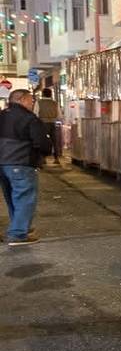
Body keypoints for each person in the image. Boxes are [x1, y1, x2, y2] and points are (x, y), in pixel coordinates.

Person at [0, 89, 52, 245]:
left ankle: (20, 227)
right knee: (24, 197)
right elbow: (41, 142)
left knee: (12, 198)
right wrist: (44, 153)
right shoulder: (29, 118)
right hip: (21, 162)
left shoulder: (1, 116)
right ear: (22, 100)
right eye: (31, 100)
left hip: (2, 164)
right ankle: (18, 234)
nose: (32, 103)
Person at [36, 88, 61, 166]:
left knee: (43, 141)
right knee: (54, 141)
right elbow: (59, 115)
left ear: (43, 94)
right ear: (51, 94)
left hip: (42, 124)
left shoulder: (39, 103)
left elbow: (35, 113)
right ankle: (56, 158)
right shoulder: (55, 103)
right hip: (53, 123)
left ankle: (43, 159)